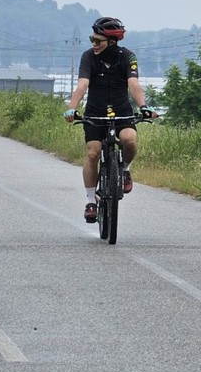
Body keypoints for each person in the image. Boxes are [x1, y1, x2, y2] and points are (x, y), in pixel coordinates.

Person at [64, 17, 152, 223]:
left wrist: (144, 107)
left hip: (122, 110)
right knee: (93, 153)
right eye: (92, 40)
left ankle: (125, 170)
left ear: (112, 42)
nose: (94, 44)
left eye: (98, 41)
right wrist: (71, 109)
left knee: (129, 140)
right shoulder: (88, 57)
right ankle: (90, 201)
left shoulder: (127, 56)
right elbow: (82, 85)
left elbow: (134, 85)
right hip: (95, 111)